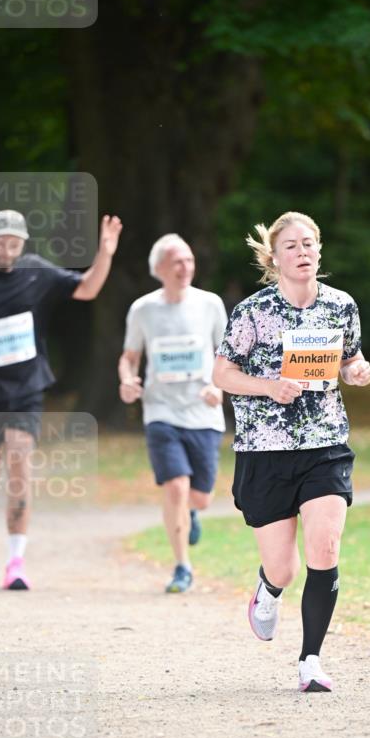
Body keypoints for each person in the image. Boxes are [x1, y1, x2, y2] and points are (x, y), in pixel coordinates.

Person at [212, 210, 370, 693]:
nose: (302, 253)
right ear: (274, 258)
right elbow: (222, 374)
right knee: (284, 566)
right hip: (266, 450)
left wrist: (357, 371)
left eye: (308, 244)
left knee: (324, 547)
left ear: (319, 250)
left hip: (325, 444)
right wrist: (267, 387)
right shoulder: (253, 312)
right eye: (291, 247)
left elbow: (351, 358)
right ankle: (269, 588)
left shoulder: (340, 306)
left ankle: (311, 661)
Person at [0, 209, 123, 589]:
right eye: (2, 240)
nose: (8, 248)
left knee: (20, 469)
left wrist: (105, 252)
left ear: (22, 242)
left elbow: (88, 289)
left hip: (26, 389)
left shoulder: (37, 272)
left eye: (16, 242)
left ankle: (15, 562)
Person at [118, 233, 227, 593]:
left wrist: (219, 388)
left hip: (203, 412)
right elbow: (130, 357)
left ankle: (193, 513)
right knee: (176, 488)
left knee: (200, 497)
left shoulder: (210, 304)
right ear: (159, 268)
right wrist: (128, 380)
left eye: (189, 260)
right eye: (178, 261)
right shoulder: (142, 309)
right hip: (160, 410)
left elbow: (229, 358)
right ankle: (182, 566)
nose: (185, 267)